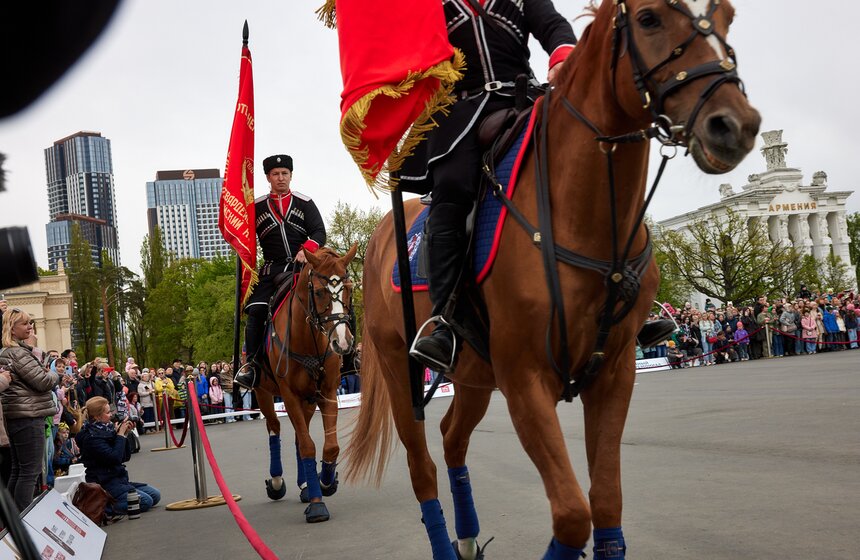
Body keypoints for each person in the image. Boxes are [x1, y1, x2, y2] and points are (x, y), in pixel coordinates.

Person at [234, 154, 326, 389]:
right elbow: (242, 234)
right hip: (271, 269)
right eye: (276, 174)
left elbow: (318, 232)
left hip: (301, 267)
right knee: (255, 311)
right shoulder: (256, 206)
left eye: (285, 173)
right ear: (268, 177)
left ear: (291, 175)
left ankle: (347, 359)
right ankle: (252, 366)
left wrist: (307, 249)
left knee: (334, 294)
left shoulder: (305, 202)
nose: (281, 178)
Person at [0, 308, 60, 511]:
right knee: (29, 472)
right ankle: (24, 520)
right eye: (25, 323)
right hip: (28, 415)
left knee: (19, 471)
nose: (30, 327)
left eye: (30, 323)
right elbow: (43, 381)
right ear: (12, 329)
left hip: (18, 415)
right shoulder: (18, 353)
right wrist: (53, 374)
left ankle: (15, 519)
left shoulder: (8, 352)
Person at [76, 396, 161, 515]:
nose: (111, 415)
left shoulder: (107, 430)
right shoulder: (91, 438)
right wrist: (120, 435)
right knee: (145, 501)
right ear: (97, 416)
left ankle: (119, 499)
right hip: (105, 483)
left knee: (155, 494)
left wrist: (124, 435)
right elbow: (114, 458)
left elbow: (125, 457)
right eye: (107, 412)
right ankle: (104, 508)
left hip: (118, 480)